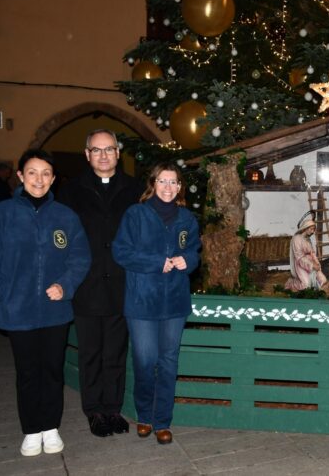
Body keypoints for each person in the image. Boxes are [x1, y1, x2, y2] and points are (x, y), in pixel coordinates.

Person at [0, 149, 90, 457]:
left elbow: (80, 257)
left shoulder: (66, 217)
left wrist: (65, 285)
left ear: (53, 179)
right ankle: (31, 428)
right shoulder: (1, 214)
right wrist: (5, 292)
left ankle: (50, 426)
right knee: (28, 372)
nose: (39, 179)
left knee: (52, 371)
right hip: (18, 312)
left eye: (45, 173)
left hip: (55, 311)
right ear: (20, 176)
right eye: (32, 172)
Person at [57, 129, 144, 437]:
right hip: (87, 286)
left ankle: (112, 408)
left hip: (122, 285)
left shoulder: (135, 189)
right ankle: (94, 410)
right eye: (97, 150)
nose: (104, 155)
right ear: (87, 154)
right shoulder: (71, 192)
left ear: (118, 154)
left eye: (109, 149)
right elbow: (62, 240)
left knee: (116, 353)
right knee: (90, 353)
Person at [112, 162, 200, 445]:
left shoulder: (187, 218)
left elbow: (194, 250)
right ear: (153, 183)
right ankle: (144, 415)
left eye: (174, 182)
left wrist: (188, 260)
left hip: (174, 302)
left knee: (168, 362)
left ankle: (162, 421)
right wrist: (156, 263)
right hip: (142, 302)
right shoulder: (136, 215)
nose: (168, 187)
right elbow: (121, 252)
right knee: (145, 360)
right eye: (163, 181)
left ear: (179, 187)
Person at [285, 214, 328, 291]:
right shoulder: (297, 239)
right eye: (311, 229)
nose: (313, 231)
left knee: (323, 280)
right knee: (306, 285)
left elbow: (312, 253)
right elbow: (299, 257)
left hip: (311, 263)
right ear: (305, 228)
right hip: (301, 264)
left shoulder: (308, 240)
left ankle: (314, 287)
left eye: (314, 229)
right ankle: (292, 283)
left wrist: (317, 264)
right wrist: (311, 265)